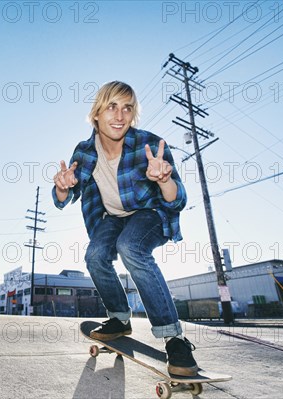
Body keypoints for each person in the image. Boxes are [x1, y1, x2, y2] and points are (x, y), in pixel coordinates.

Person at [52, 81, 197, 376]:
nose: (119, 116)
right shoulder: (83, 152)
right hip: (112, 218)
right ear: (96, 114)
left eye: (127, 108)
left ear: (133, 115)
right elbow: (63, 199)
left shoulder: (149, 145)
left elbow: (178, 199)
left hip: (150, 214)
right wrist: (63, 187)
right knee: (95, 256)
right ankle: (119, 318)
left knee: (130, 247)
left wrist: (164, 180)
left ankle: (174, 338)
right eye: (112, 107)